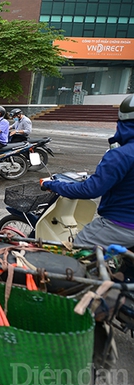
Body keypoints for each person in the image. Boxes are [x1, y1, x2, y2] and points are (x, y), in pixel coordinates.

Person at [42, 94, 134, 280]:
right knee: (126, 269)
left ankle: (74, 297)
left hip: (119, 224)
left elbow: (90, 190)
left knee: (76, 253)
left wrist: (53, 185)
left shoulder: (121, 155)